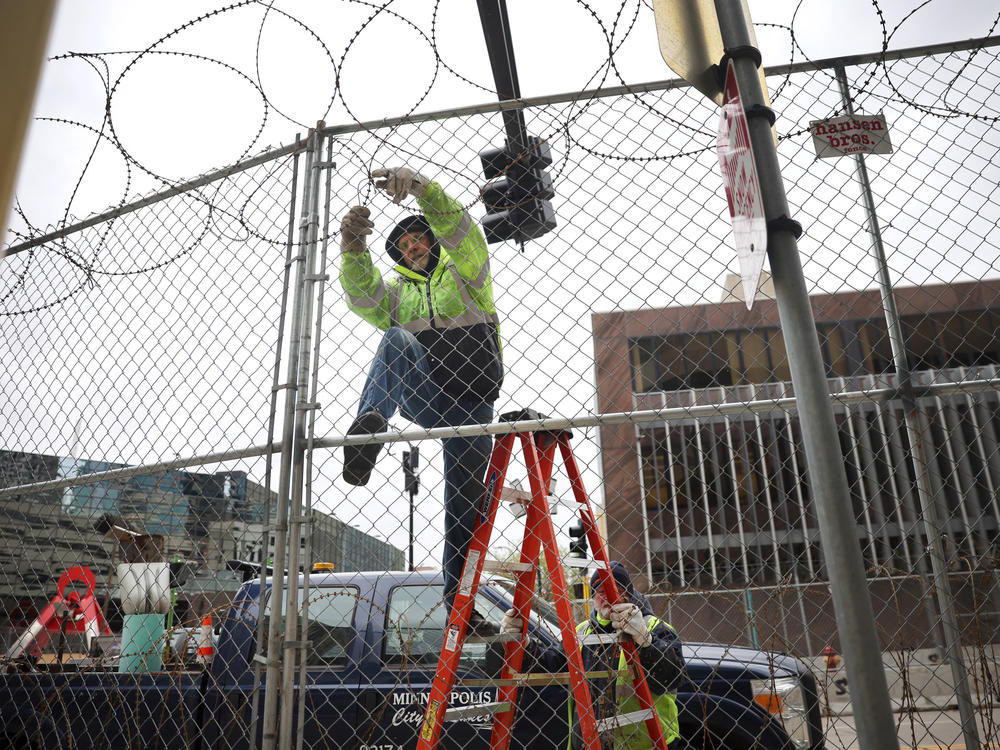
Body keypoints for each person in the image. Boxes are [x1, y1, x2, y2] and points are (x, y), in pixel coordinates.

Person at [338, 165, 503, 623]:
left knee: (464, 505)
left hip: (472, 403)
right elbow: (360, 294)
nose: (412, 247)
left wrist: (422, 189)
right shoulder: (397, 295)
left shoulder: (467, 275)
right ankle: (368, 428)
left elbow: (464, 233)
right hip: (428, 397)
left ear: (431, 241)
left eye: (418, 239)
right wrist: (352, 246)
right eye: (404, 245)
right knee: (394, 340)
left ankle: (459, 601)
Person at [500, 561, 684, 749]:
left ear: (628, 593)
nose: (608, 597)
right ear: (594, 597)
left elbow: (673, 676)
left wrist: (645, 639)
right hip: (590, 742)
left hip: (646, 743)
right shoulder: (581, 632)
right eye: (601, 591)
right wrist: (524, 644)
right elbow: (554, 665)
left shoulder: (655, 628)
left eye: (615, 589)